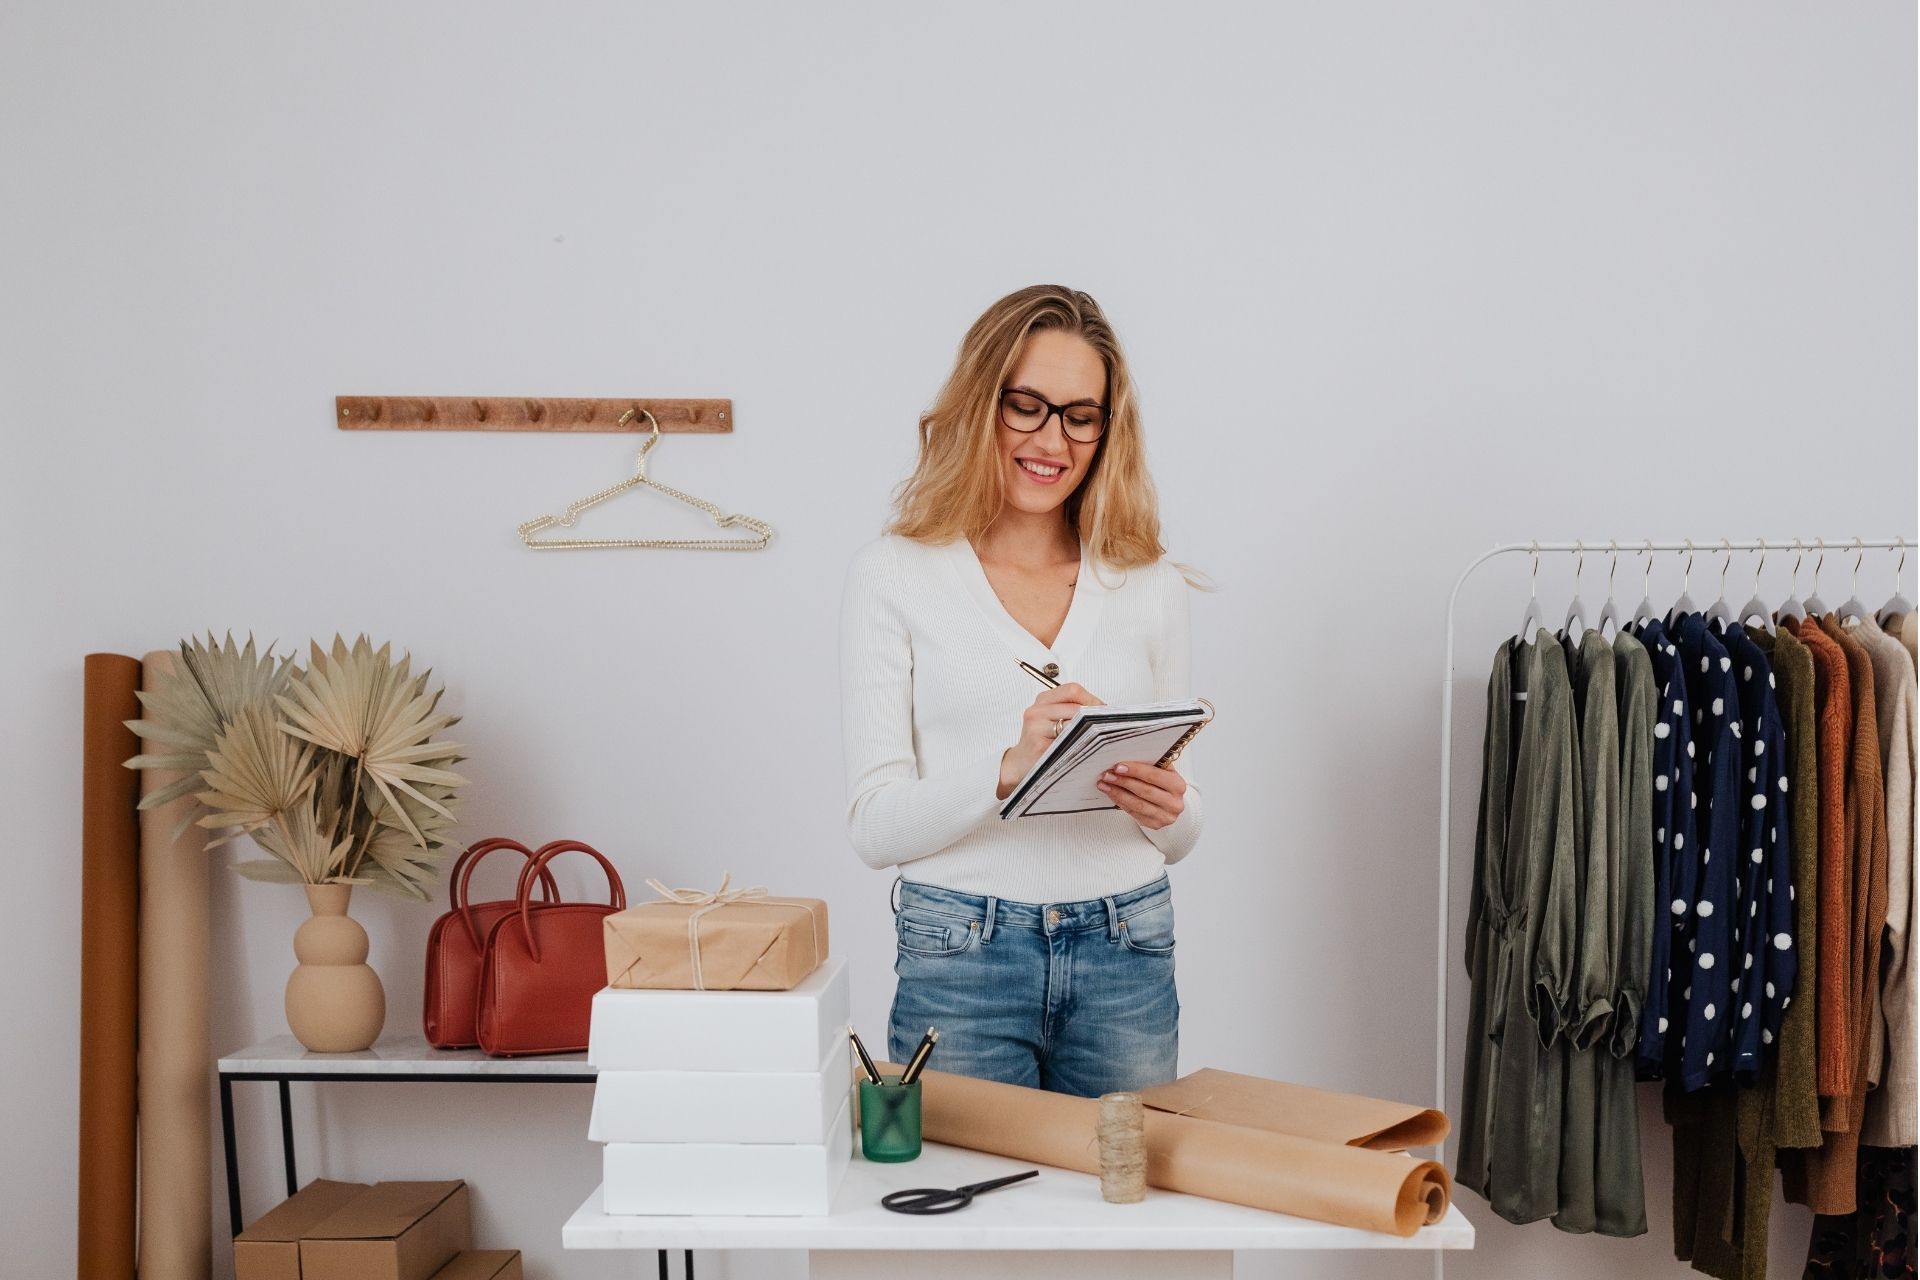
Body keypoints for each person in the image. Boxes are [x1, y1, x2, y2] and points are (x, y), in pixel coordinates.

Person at [838, 283, 1210, 1097]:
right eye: (1027, 407)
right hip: (962, 952)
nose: (1054, 439)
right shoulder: (894, 575)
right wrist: (1006, 771)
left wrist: (1169, 806)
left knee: (1123, 1210)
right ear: (980, 406)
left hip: (1128, 947)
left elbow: (1182, 834)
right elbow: (873, 829)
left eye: (1081, 415)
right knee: (962, 1216)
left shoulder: (1148, 582)